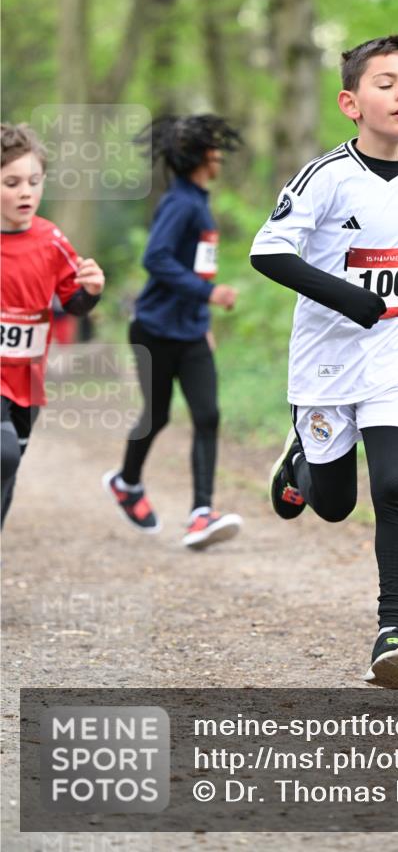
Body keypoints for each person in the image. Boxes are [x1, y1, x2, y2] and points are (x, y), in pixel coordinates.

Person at [250, 35, 398, 688]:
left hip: (390, 364)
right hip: (325, 370)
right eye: (386, 83)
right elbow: (267, 252)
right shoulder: (324, 177)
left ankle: (393, 634)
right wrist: (347, 298)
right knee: (331, 506)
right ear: (349, 102)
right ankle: (301, 459)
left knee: (394, 488)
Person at [103, 115, 243, 550]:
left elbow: (191, 262)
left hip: (190, 333)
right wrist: (209, 293)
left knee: (208, 415)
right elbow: (157, 259)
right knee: (157, 414)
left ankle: (201, 513)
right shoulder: (181, 204)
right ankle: (127, 483)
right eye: (216, 148)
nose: (220, 156)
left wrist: (202, 322)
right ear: (204, 155)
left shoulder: (197, 201)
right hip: (154, 330)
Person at [1, 123, 105, 524]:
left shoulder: (51, 239)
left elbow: (73, 304)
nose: (26, 191)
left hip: (28, 378)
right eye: (11, 182)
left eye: (34, 181)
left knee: (9, 465)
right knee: (4, 453)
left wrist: (91, 290)